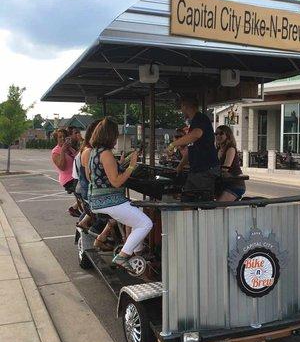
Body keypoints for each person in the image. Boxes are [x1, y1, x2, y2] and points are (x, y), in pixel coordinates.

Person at [87, 117, 153, 272]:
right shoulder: (106, 154)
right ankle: (123, 256)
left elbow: (99, 175)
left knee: (138, 209)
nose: (117, 138)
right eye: (116, 135)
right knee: (146, 224)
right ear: (110, 135)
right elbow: (116, 182)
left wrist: (124, 162)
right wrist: (131, 166)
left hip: (98, 199)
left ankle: (136, 252)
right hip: (109, 200)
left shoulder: (94, 152)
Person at [167, 96, 220, 201]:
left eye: (181, 107)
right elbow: (191, 150)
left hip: (205, 169)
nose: (181, 111)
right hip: (197, 170)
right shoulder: (194, 123)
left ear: (184, 106)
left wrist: (173, 144)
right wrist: (180, 166)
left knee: (202, 203)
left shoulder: (200, 119)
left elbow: (197, 134)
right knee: (187, 201)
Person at [51, 129, 80, 217]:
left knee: (83, 196)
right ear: (56, 139)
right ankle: (76, 209)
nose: (63, 139)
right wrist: (63, 151)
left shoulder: (69, 147)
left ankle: (75, 208)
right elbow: (62, 167)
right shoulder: (56, 151)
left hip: (75, 176)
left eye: (64, 136)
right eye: (60, 137)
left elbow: (78, 156)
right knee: (84, 192)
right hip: (68, 179)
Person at [214, 125, 245, 201]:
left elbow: (226, 168)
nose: (218, 136)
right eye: (216, 134)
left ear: (228, 135)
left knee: (218, 208)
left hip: (234, 184)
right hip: (222, 183)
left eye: (221, 133)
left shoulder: (230, 148)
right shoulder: (217, 149)